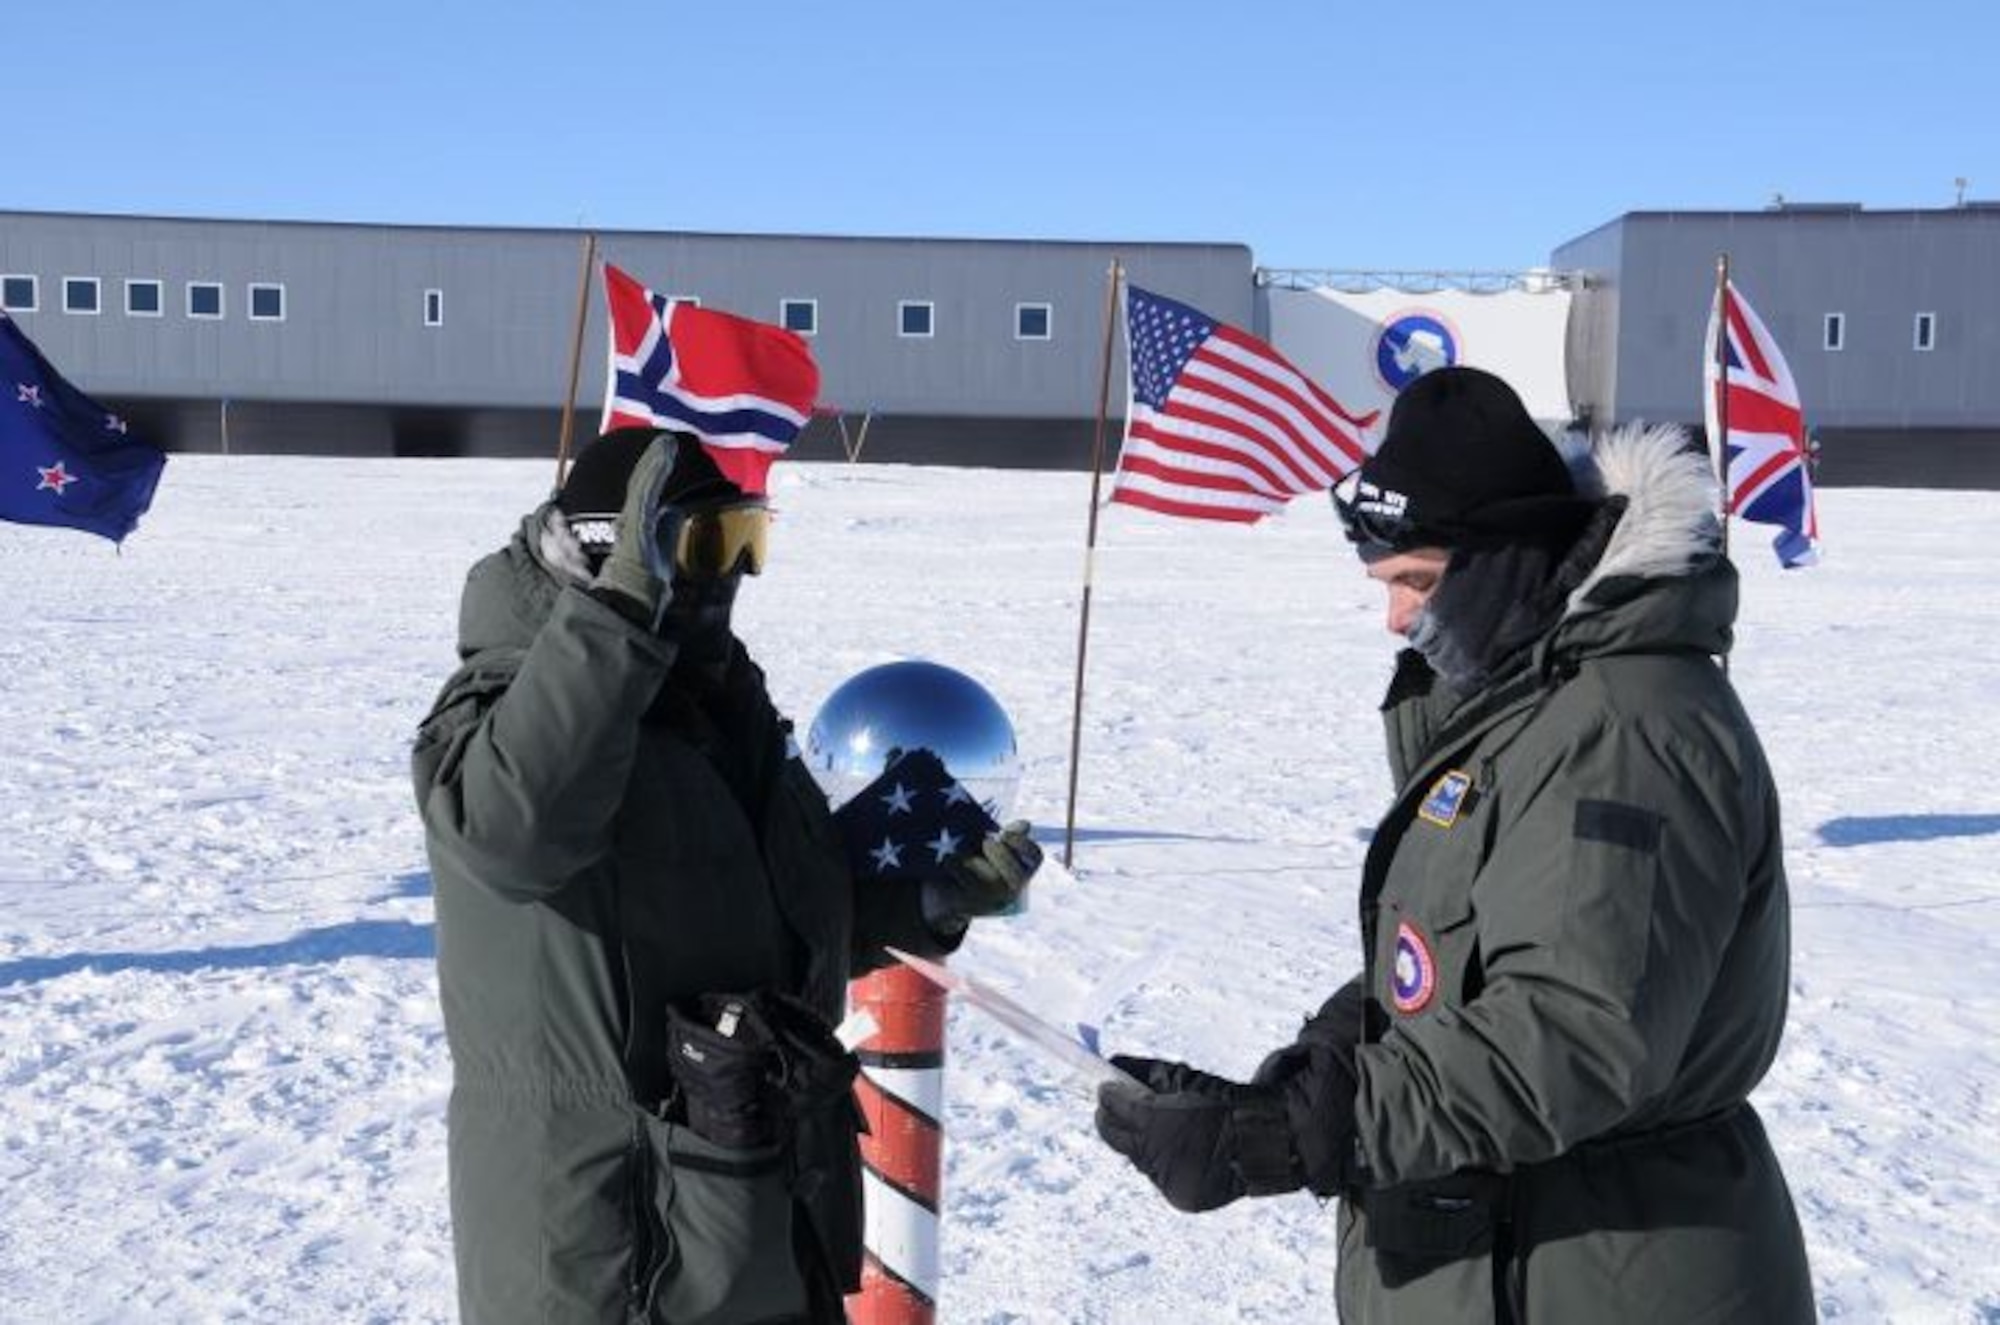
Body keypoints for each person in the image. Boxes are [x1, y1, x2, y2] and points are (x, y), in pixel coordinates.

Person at [1093, 367, 1815, 1322]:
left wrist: (1297, 1132)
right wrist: (1320, 1062)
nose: (1396, 618)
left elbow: (1574, 1035)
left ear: (1504, 563)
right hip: (1512, 1250)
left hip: (1604, 1267)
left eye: (1418, 581)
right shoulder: (1528, 706)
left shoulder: (1623, 731)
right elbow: (1460, 944)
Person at [412, 427, 1039, 1324]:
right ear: (614, 553)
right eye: (707, 544)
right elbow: (509, 837)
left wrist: (926, 899)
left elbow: (774, 921)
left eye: (751, 538)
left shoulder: (718, 703)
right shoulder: (506, 704)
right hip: (611, 1255)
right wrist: (619, 613)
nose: (733, 575)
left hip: (747, 1220)